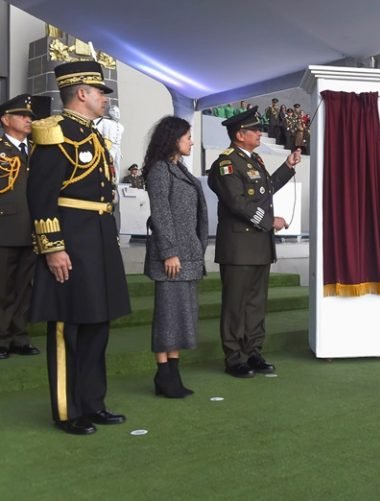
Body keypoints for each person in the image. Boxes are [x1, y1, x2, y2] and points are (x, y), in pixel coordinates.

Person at [26, 61, 131, 434]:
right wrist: (53, 247)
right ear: (81, 93)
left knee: (96, 324)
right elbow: (41, 198)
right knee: (67, 329)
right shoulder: (55, 134)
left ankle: (93, 402)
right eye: (100, 91)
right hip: (70, 241)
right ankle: (68, 411)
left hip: (98, 239)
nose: (105, 98)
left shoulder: (95, 135)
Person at [207, 108, 301, 378]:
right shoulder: (226, 163)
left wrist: (288, 166)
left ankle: (253, 351)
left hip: (259, 244)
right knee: (235, 304)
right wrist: (269, 221)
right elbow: (237, 203)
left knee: (256, 303)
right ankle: (234, 357)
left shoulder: (254, 159)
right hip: (238, 246)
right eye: (255, 130)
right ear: (240, 135)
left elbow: (266, 187)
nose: (260, 133)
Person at [142, 116, 208, 398]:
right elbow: (161, 214)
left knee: (181, 316)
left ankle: (173, 373)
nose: (191, 141)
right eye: (187, 137)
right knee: (168, 317)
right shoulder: (160, 170)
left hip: (187, 254)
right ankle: (164, 374)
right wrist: (169, 252)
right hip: (173, 257)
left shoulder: (177, 168)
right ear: (173, 139)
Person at [0, 94, 41, 360]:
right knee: (3, 286)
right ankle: (1, 338)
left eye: (30, 117)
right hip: (5, 226)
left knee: (25, 286)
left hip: (32, 229)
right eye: (22, 116)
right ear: (5, 120)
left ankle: (19, 336)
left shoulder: (37, 149)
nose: (28, 120)